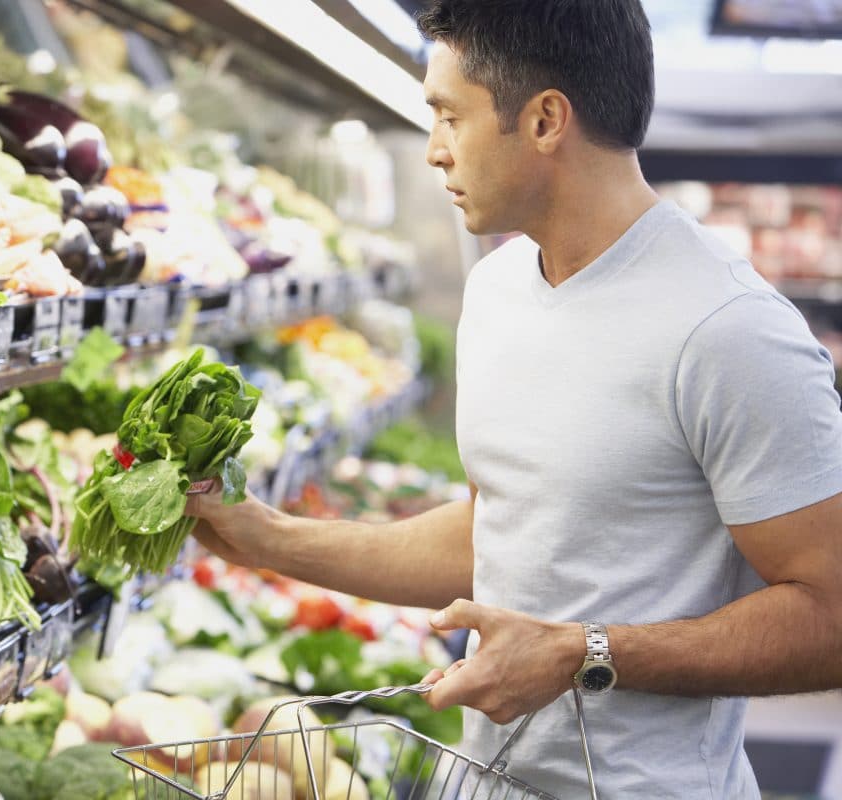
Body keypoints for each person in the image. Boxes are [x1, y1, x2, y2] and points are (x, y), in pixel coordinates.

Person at [185, 1, 842, 797]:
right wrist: (267, 539)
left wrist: (584, 653)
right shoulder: (495, 289)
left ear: (544, 121)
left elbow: (829, 616)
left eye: (448, 116)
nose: (432, 151)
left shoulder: (728, 330)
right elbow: (497, 536)